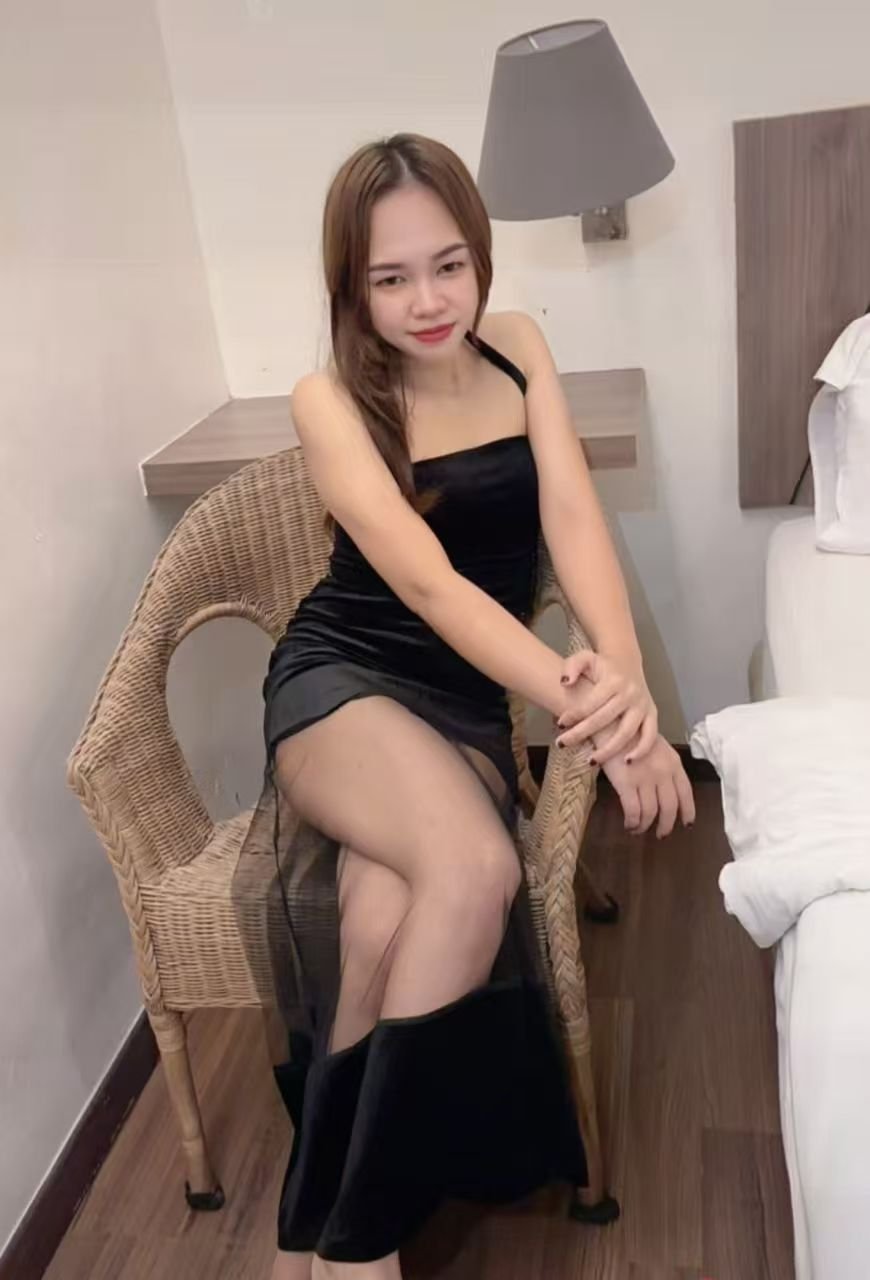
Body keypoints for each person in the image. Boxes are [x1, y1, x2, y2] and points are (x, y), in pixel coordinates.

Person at [257, 132, 695, 1280]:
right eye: (390, 277)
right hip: (344, 681)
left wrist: (626, 684)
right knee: (475, 868)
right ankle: (363, 1255)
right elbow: (429, 586)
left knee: (374, 923)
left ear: (481, 252)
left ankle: (315, 1229)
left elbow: (573, 519)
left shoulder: (519, 347)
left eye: (448, 264)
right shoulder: (327, 399)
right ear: (350, 285)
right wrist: (603, 718)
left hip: (461, 701)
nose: (428, 300)